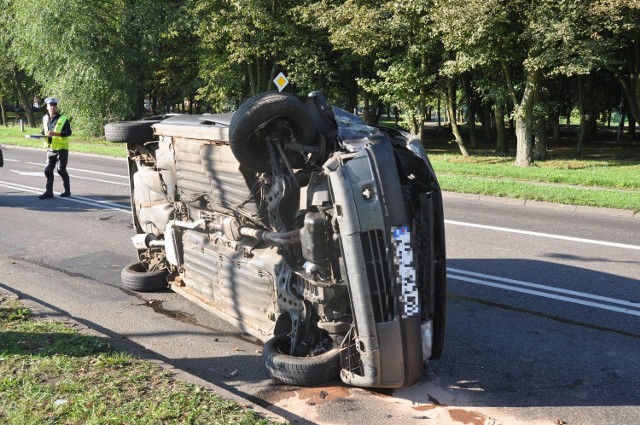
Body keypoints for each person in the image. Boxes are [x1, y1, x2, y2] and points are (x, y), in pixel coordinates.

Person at [39, 97, 71, 199]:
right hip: (50, 148)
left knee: (61, 170)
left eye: (54, 106)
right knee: (48, 170)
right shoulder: (45, 118)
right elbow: (44, 131)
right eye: (51, 105)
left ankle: (67, 190)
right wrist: (38, 135)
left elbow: (68, 132)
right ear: (47, 107)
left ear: (56, 107)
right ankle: (49, 192)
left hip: (62, 148)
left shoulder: (63, 118)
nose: (53, 107)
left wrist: (55, 133)